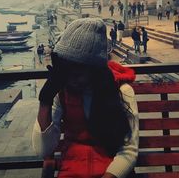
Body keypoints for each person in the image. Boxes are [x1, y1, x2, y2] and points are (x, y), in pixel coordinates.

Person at [32, 18, 139, 178]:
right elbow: (43, 150)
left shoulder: (122, 92)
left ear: (94, 70)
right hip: (72, 170)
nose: (71, 79)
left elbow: (128, 150)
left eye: (78, 73)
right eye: (67, 71)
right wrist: (45, 100)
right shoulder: (62, 94)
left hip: (110, 171)